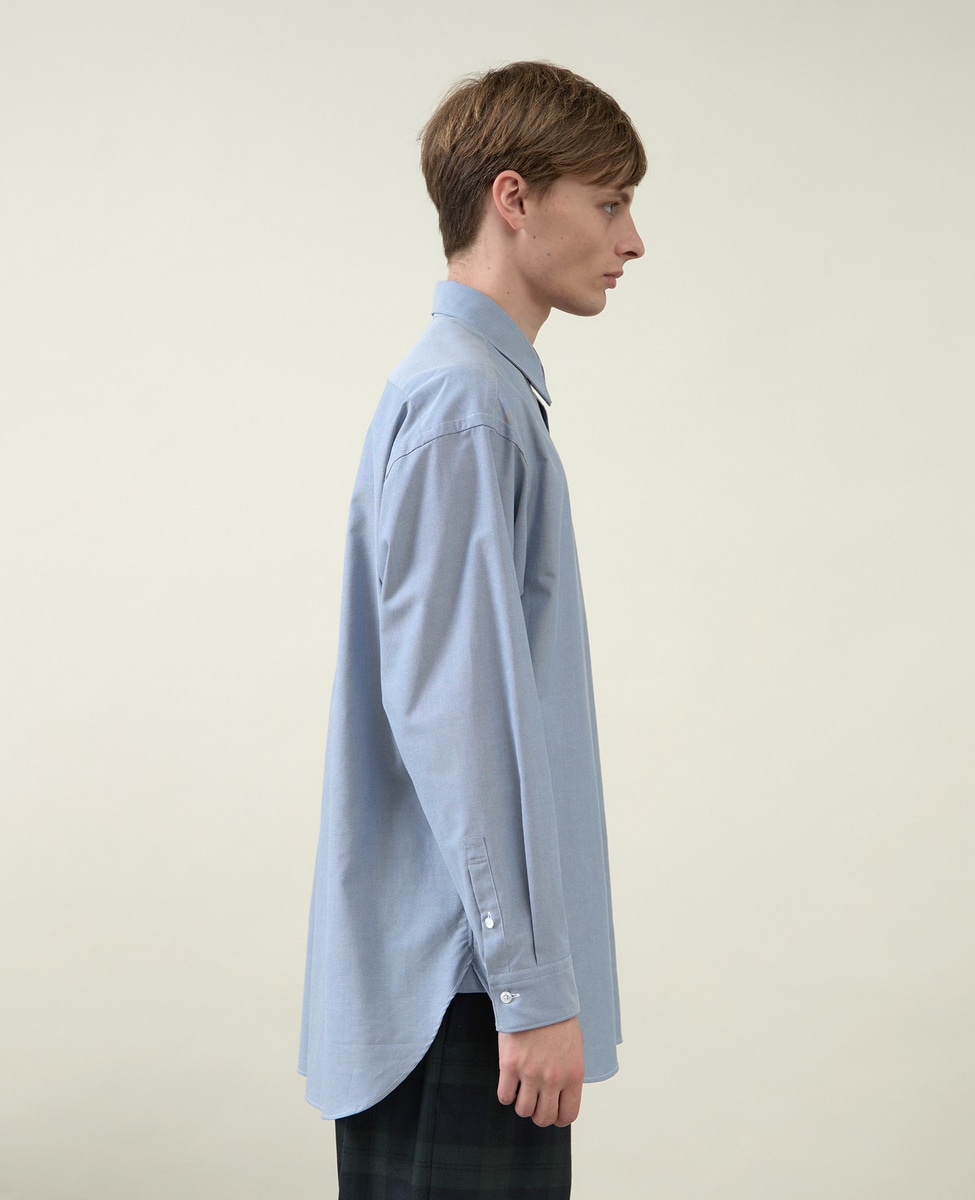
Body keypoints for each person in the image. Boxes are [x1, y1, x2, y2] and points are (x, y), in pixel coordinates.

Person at [299, 60, 647, 1199]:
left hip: (463, 984)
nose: (631, 240)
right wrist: (532, 987)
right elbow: (456, 719)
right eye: (610, 202)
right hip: (463, 995)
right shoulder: (467, 405)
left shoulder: (475, 394)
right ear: (513, 198)